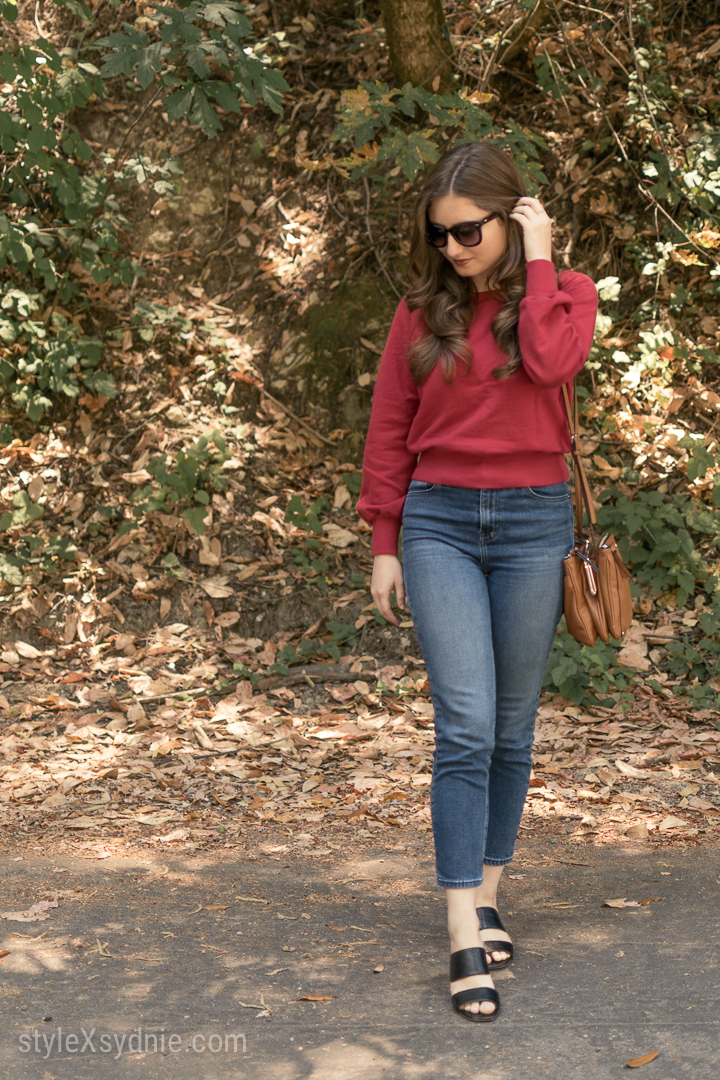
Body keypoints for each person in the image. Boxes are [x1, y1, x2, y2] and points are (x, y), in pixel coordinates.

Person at [357, 141, 598, 1021]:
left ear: (513, 218)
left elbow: (549, 366)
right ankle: (463, 924)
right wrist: (386, 536)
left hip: (536, 523)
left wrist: (539, 265)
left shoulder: (565, 297)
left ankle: (489, 889)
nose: (452, 250)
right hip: (440, 520)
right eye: (440, 236)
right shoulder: (420, 311)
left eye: (467, 233)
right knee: (463, 722)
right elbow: (391, 423)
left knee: (510, 727)